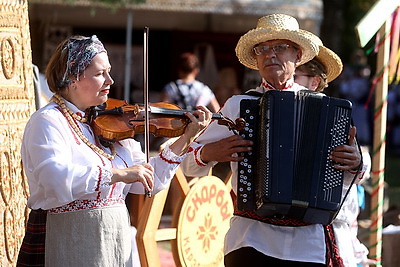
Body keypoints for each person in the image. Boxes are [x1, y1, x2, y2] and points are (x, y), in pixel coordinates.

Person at [180, 14, 369, 266]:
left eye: (280, 47)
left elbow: (355, 169)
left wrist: (356, 162)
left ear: (298, 55)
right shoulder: (239, 106)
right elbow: (187, 163)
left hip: (308, 243)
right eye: (263, 49)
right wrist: (210, 152)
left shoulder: (325, 109)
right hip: (250, 238)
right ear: (256, 59)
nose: (270, 55)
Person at [16, 35, 212, 266]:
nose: (110, 80)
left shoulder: (112, 122)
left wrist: (186, 138)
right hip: (65, 239)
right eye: (100, 74)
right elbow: (55, 179)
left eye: (109, 72)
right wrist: (117, 174)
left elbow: (152, 180)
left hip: (113, 243)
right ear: (73, 78)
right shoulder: (48, 121)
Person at [294, 46, 375, 267]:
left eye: (295, 75)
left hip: (325, 231)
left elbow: (360, 162)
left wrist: (357, 161)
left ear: (313, 82)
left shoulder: (333, 115)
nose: (289, 80)